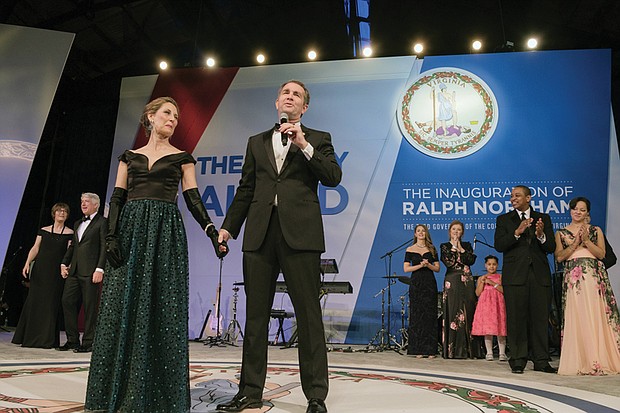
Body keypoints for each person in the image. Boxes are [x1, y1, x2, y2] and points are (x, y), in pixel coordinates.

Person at [83, 97, 225, 413]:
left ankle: (161, 395)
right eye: (167, 113)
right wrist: (111, 237)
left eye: (176, 115)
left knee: (163, 308)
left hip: (165, 233)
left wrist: (212, 232)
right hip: (130, 232)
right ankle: (114, 392)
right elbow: (117, 198)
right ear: (150, 116)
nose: (173, 119)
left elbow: (193, 199)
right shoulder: (129, 157)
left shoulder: (182, 158)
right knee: (122, 305)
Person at [215, 80, 342, 413]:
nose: (290, 97)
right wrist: (229, 228)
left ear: (304, 107)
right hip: (259, 235)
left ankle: (316, 396)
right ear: (276, 103)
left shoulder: (318, 138)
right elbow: (245, 190)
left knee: (309, 315)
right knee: (255, 317)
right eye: (285, 93)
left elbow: (332, 176)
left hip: (301, 236)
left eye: (296, 94)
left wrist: (303, 144)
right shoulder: (256, 142)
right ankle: (250, 392)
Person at [494, 185, 556, 374]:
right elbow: (499, 245)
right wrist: (517, 232)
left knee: (539, 318)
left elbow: (551, 247)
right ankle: (518, 359)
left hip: (539, 276)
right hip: (515, 277)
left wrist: (541, 236)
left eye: (518, 195)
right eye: (512, 196)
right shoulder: (504, 219)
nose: (513, 198)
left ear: (528, 198)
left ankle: (541, 360)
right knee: (516, 319)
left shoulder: (543, 218)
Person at [554, 196, 620, 375]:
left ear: (587, 213)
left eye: (582, 210)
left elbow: (602, 254)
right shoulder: (561, 232)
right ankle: (580, 359)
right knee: (578, 314)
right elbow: (559, 257)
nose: (578, 212)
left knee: (595, 312)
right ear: (570, 210)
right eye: (575, 209)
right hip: (574, 279)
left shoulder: (595, 230)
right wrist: (575, 243)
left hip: (593, 276)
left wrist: (587, 241)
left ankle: (599, 358)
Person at [12, 203, 73, 348]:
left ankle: (47, 340)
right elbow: (35, 248)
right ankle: (29, 337)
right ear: (54, 213)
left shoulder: (70, 233)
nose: (62, 213)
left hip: (56, 273)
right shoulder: (44, 230)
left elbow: (70, 253)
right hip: (40, 270)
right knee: (35, 302)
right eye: (59, 211)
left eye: (64, 211)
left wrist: (67, 267)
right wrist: (27, 262)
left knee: (51, 304)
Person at [58, 193, 106, 353]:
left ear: (96, 205)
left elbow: (103, 247)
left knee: (90, 308)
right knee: (67, 301)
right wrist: (64, 263)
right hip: (74, 271)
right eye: (82, 202)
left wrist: (100, 269)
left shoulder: (102, 222)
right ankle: (72, 340)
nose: (83, 204)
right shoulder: (78, 222)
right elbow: (73, 247)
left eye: (87, 202)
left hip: (91, 271)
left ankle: (88, 342)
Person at [440, 220, 478, 359]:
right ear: (449, 231)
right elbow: (449, 262)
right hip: (452, 279)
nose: (456, 232)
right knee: (453, 311)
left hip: (467, 279)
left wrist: (461, 248)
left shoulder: (467, 245)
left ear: (462, 232)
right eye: (454, 229)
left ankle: (469, 350)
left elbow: (470, 260)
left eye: (459, 230)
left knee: (468, 310)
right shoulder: (444, 246)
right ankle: (452, 350)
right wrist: (453, 247)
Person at [403, 224, 441, 358]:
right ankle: (417, 349)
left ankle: (431, 350)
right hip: (417, 283)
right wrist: (420, 265)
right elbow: (406, 269)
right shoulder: (410, 249)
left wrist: (428, 265)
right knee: (417, 315)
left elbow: (437, 268)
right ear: (414, 234)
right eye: (418, 231)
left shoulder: (432, 249)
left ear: (426, 233)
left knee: (430, 315)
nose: (421, 233)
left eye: (423, 231)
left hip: (429, 283)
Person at [471, 255, 507, 361]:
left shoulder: (500, 277)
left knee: (500, 329)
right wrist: (482, 282)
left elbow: (504, 290)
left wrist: (493, 283)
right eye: (489, 264)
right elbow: (477, 293)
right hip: (486, 306)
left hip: (498, 305)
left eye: (494, 264)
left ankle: (502, 353)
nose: (492, 267)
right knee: (488, 329)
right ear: (485, 265)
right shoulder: (482, 278)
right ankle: (489, 352)